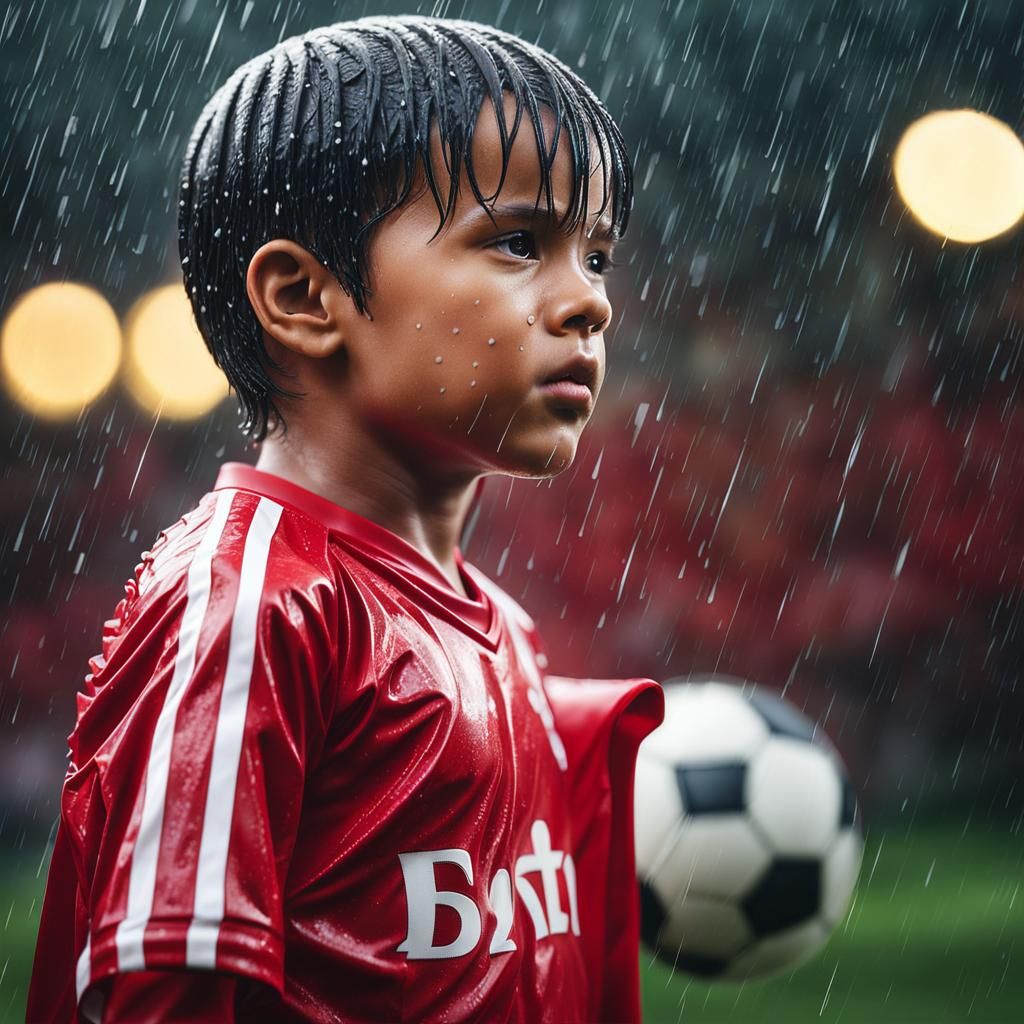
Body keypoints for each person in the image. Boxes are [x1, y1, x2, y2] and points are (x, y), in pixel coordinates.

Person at [27, 15, 663, 1023]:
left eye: (596, 257)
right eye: (517, 241)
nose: (589, 303)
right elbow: (166, 994)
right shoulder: (245, 610)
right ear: (302, 296)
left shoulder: (506, 630)